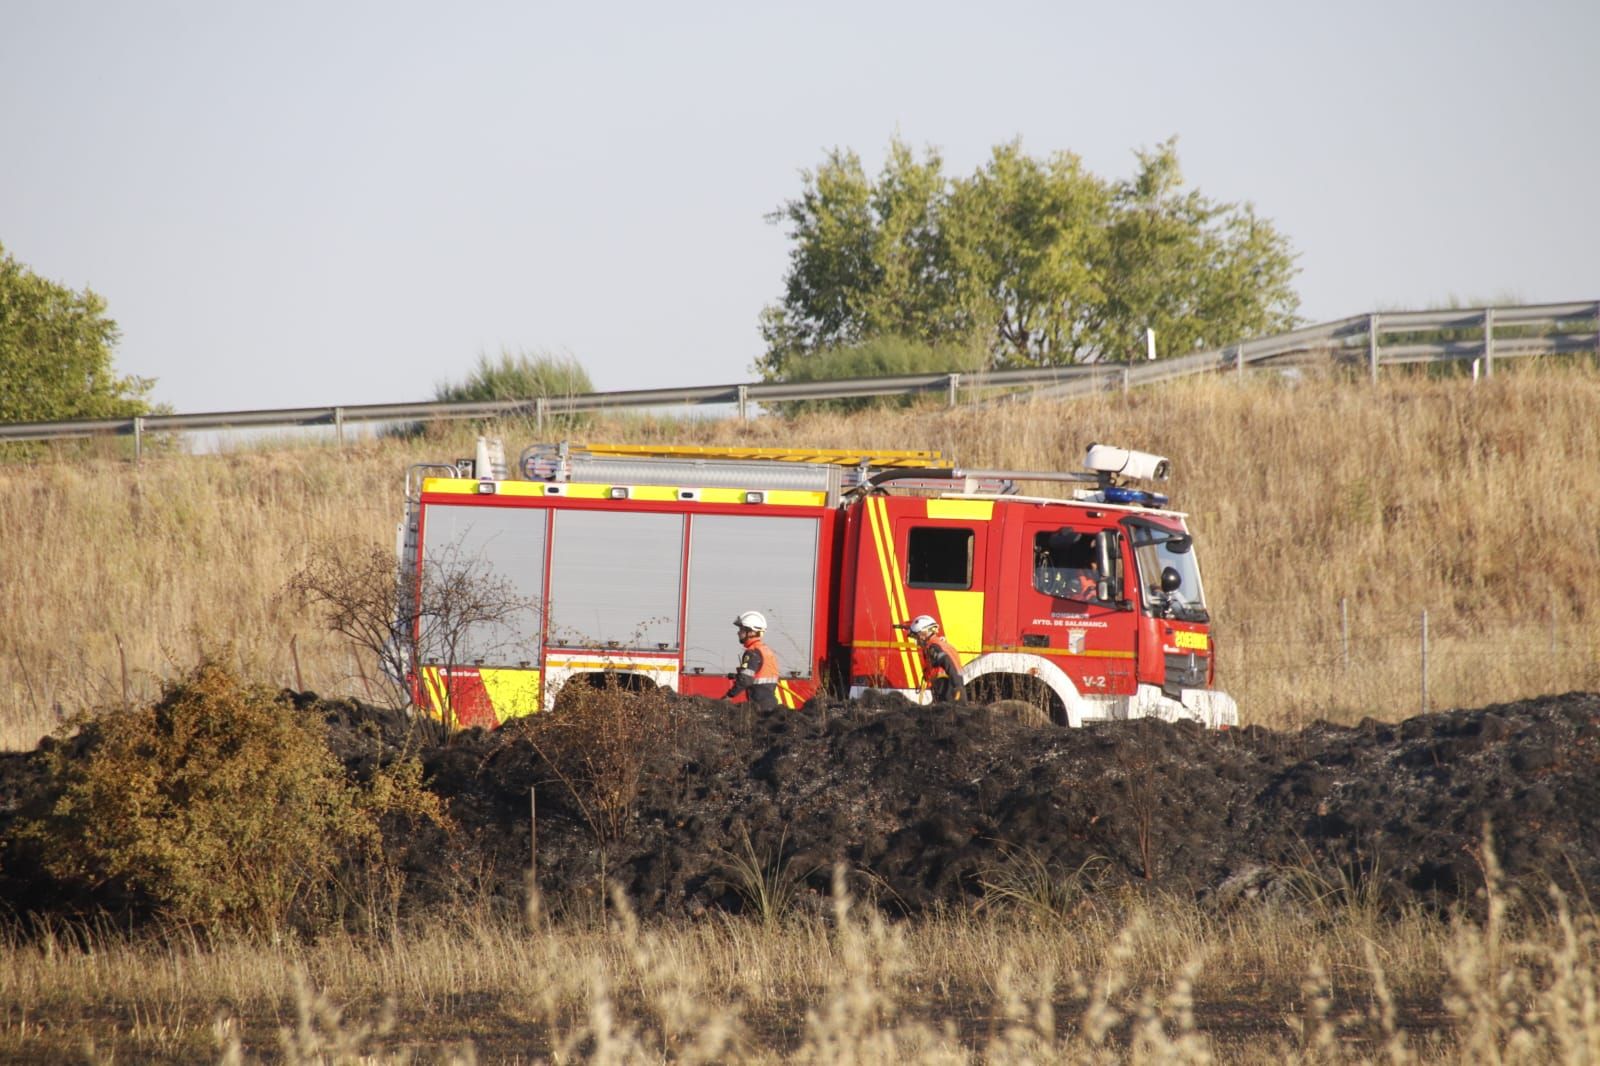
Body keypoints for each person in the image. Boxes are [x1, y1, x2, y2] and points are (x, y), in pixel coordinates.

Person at [899, 614, 964, 703]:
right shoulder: (941, 644)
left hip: (947, 692)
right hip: (951, 690)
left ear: (925, 633)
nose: (917, 641)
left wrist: (957, 686)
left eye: (917, 637)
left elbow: (946, 660)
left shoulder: (933, 648)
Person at [725, 610, 780, 710]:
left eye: (742, 630)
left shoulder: (752, 652)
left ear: (751, 632)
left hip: (759, 706)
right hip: (768, 703)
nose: (738, 633)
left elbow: (745, 680)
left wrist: (729, 696)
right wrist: (737, 676)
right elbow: (759, 674)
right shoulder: (765, 650)